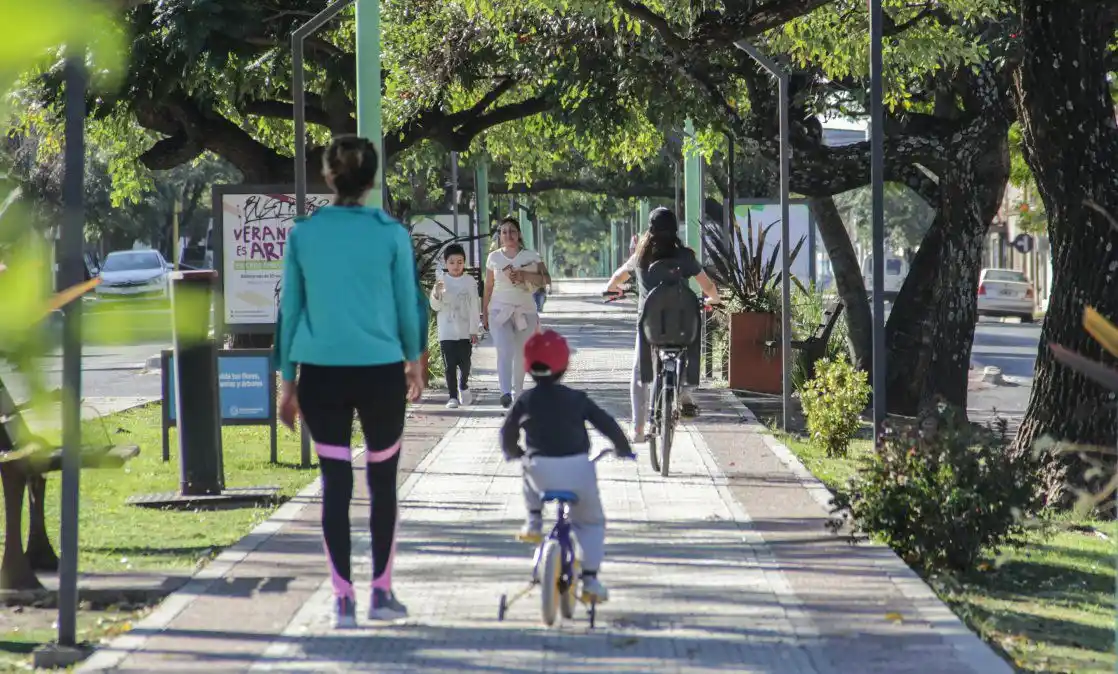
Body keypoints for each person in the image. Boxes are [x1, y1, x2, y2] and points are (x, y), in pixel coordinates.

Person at [276, 134, 425, 629]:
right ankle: (381, 593)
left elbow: (290, 311)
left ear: (327, 177)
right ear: (372, 180)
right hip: (381, 373)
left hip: (320, 376)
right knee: (383, 483)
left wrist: (286, 381)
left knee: (334, 484)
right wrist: (415, 360)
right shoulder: (391, 234)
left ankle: (343, 600)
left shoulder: (304, 234)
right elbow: (409, 304)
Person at [499, 329, 634, 602]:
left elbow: (507, 432)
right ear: (565, 366)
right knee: (591, 522)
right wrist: (623, 448)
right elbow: (606, 423)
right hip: (577, 471)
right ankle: (591, 580)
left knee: (527, 466)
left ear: (527, 366)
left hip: (541, 473)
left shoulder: (525, 399)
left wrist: (515, 452)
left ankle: (534, 520)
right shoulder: (577, 398)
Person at [605, 207, 720, 442]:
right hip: (681, 324)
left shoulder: (640, 256)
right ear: (675, 230)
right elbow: (708, 286)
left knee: (639, 372)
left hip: (650, 327)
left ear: (651, 229)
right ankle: (686, 391)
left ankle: (637, 429)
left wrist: (613, 289)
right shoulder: (685, 257)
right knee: (688, 346)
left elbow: (616, 279)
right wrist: (714, 300)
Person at [482, 216, 550, 408]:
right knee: (504, 348)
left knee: (521, 353)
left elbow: (546, 279)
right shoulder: (493, 257)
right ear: (500, 236)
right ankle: (505, 392)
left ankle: (517, 392)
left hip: (525, 311)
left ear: (519, 234)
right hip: (498, 311)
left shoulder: (531, 255)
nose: (508, 234)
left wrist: (523, 275)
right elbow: (488, 286)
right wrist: (484, 312)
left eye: (512, 230)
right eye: (504, 231)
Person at [429, 243, 480, 409]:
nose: (456, 266)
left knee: (465, 364)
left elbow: (474, 306)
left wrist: (474, 330)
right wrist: (437, 292)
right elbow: (435, 306)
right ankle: (452, 397)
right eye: (451, 262)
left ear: (464, 262)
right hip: (447, 331)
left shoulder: (469, 281)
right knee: (449, 365)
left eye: (459, 262)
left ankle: (463, 385)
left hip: (465, 331)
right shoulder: (441, 281)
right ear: (445, 264)